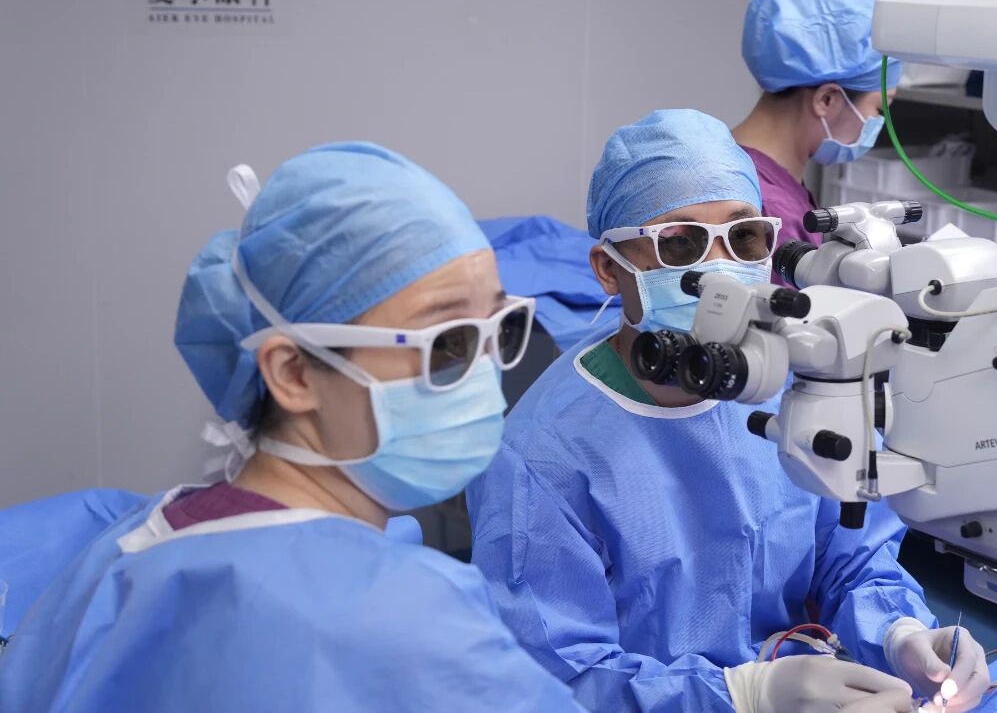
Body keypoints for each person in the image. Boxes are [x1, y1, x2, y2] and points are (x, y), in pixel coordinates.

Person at [0, 143, 583, 712]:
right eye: (448, 342)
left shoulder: (136, 546)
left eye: (501, 327)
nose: (485, 374)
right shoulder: (404, 626)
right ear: (294, 373)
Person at [467, 110, 988, 713]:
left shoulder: (798, 379)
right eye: (679, 243)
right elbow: (560, 676)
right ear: (610, 269)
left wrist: (901, 634)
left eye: (744, 238)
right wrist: (742, 695)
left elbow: (852, 557)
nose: (718, 268)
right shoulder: (541, 460)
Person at [733, 0, 902, 255]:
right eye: (879, 109)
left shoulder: (731, 161)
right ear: (827, 99)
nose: (877, 122)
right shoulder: (771, 215)